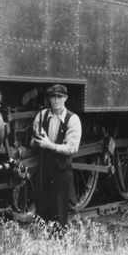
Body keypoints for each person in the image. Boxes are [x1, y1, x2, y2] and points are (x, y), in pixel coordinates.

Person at [31, 84, 82, 233]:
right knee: (42, 210)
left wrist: (49, 145)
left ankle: (59, 245)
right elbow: (33, 142)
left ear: (65, 98)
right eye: (53, 97)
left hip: (61, 170)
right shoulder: (42, 116)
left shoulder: (73, 119)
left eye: (59, 97)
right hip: (44, 169)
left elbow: (72, 148)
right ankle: (45, 244)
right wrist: (37, 141)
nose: (56, 100)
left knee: (59, 212)